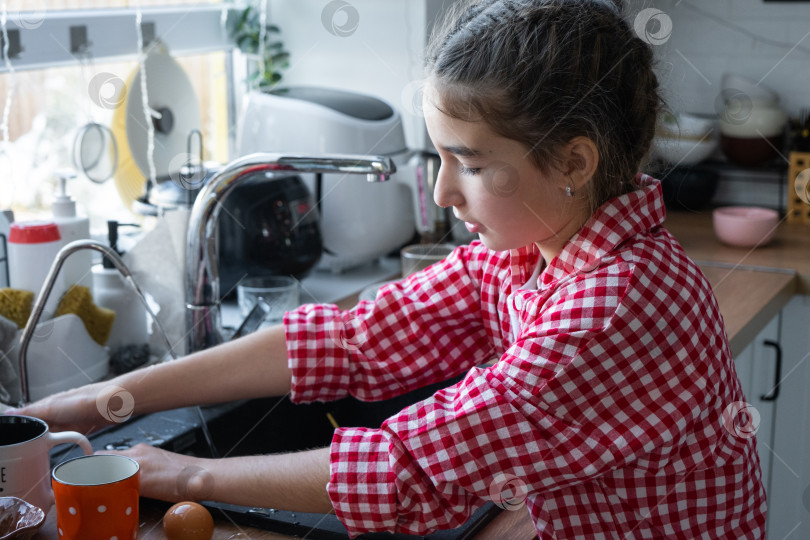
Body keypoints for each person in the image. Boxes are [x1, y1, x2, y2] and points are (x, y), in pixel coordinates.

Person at [12, 0, 766, 537]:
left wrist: (182, 474)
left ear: (573, 161)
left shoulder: (615, 306)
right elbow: (357, 337)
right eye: (439, 157)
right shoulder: (535, 251)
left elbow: (408, 466)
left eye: (467, 164)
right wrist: (111, 395)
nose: (440, 192)